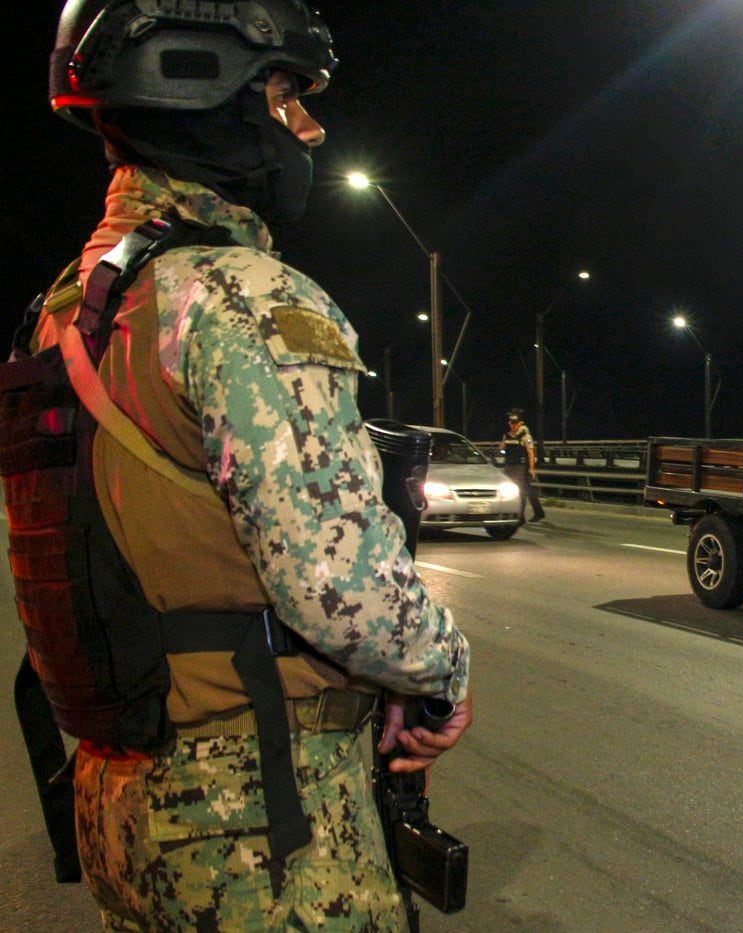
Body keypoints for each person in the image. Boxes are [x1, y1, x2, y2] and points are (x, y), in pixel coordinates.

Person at [26, 2, 471, 927]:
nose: (307, 127)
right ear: (201, 90)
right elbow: (342, 590)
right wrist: (443, 670)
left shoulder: (72, 305)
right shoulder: (242, 298)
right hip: (259, 822)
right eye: (283, 95)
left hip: (121, 800)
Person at [501, 407, 546, 521]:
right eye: (511, 422)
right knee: (526, 489)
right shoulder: (507, 435)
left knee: (521, 490)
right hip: (509, 466)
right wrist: (507, 439)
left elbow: (531, 452)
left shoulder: (525, 435)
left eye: (514, 422)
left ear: (520, 422)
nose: (512, 424)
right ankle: (538, 512)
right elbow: (501, 448)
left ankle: (520, 517)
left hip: (521, 467)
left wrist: (531, 468)